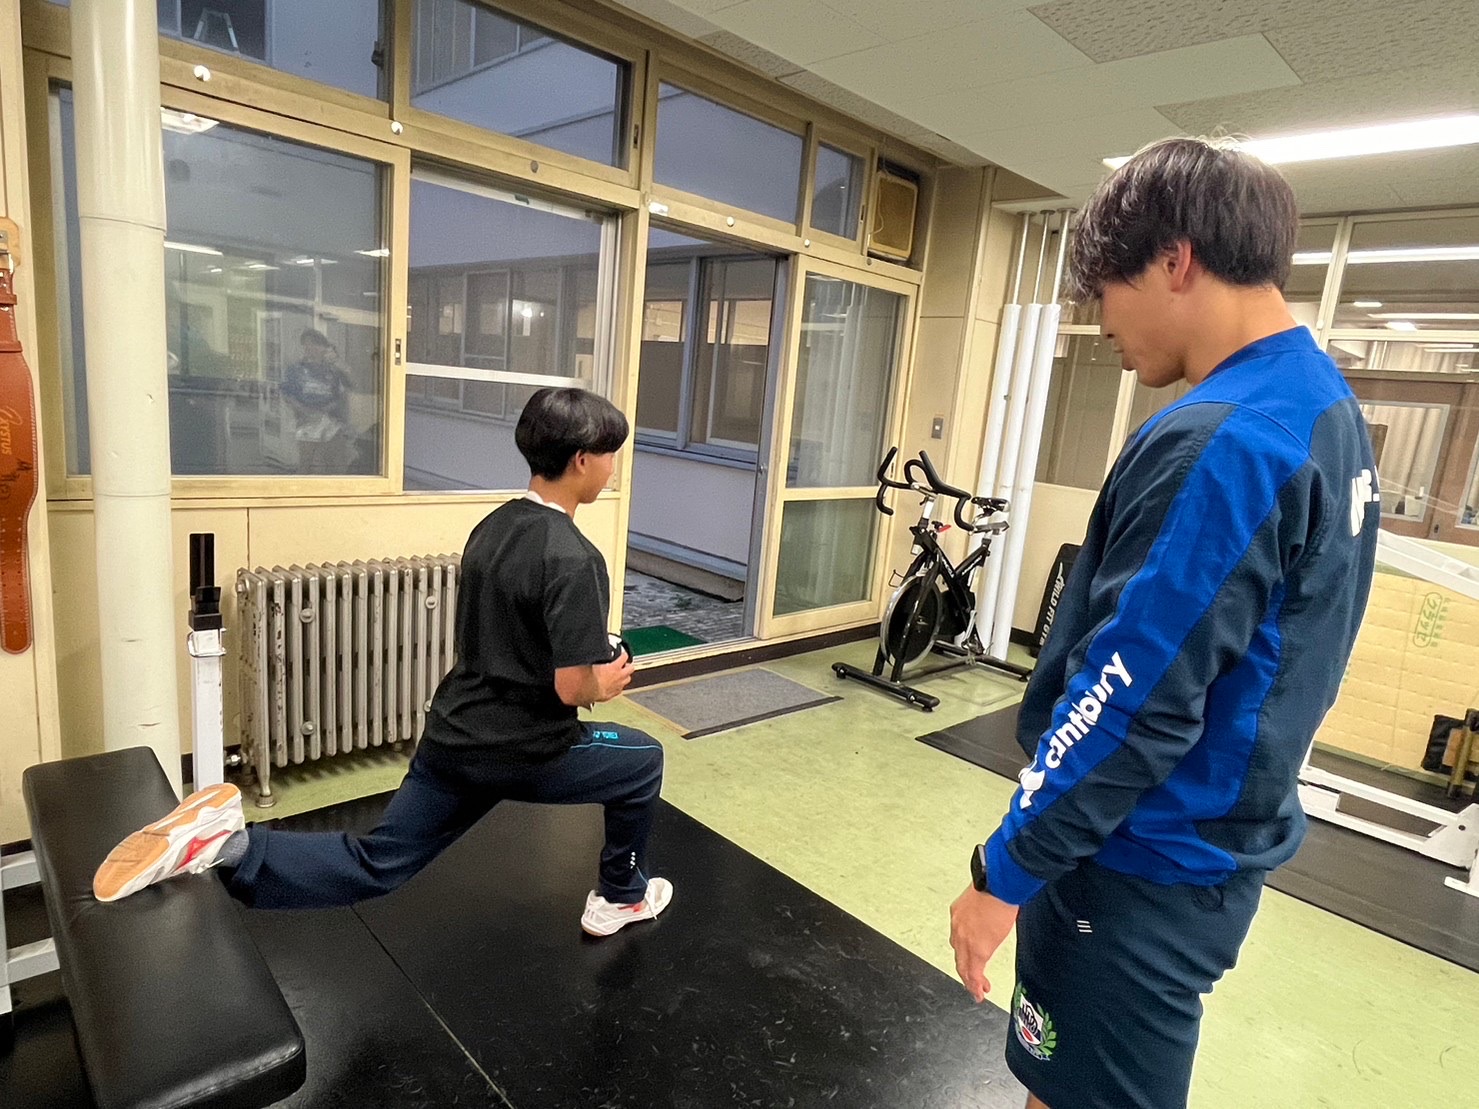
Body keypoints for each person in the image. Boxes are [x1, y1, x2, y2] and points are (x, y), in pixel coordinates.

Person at [948, 137, 1381, 1109]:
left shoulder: (1224, 440)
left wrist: (1003, 871)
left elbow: (1129, 700)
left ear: (1175, 260)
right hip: (1207, 848)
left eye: (1107, 290)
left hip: (1138, 859)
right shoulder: (1323, 409)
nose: (1103, 322)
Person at [93, 387, 674, 938]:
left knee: (378, 861)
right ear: (581, 460)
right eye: (610, 455)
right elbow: (573, 688)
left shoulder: (493, 526)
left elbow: (512, 630)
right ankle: (620, 897)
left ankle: (226, 846)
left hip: (454, 733)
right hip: (525, 749)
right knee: (644, 760)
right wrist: (608, 680)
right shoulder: (574, 557)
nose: (613, 468)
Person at [281, 328, 352, 473]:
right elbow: (288, 395)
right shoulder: (296, 369)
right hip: (307, 421)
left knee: (334, 462)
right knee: (308, 462)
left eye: (316, 344)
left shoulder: (333, 371)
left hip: (332, 421)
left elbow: (348, 388)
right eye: (307, 344)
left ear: (325, 348)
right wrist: (304, 411)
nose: (311, 348)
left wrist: (338, 363)